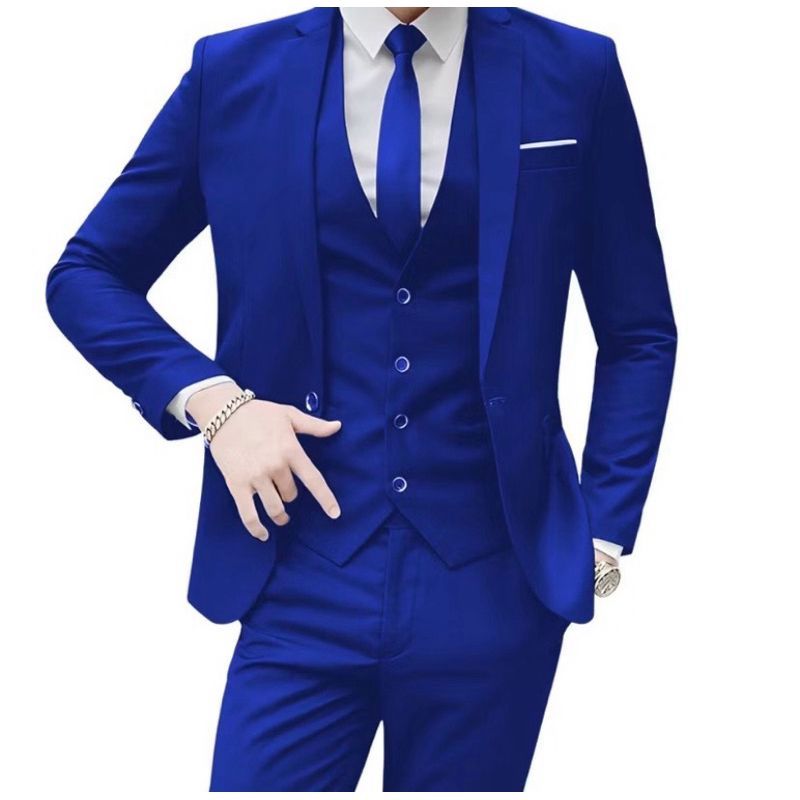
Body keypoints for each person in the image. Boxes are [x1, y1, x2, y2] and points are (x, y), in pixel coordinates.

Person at [45, 6, 677, 792]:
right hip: (296, 569)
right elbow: (88, 274)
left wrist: (602, 532)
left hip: (493, 581)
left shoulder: (575, 71)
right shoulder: (234, 73)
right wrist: (217, 405)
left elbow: (638, 330)